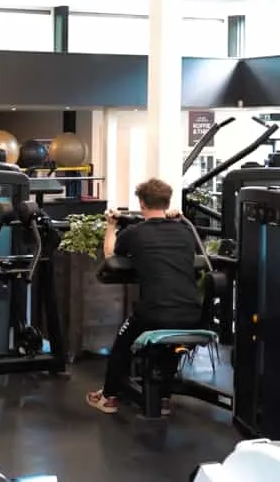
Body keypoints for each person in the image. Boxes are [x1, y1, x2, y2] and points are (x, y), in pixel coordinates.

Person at [86, 178, 205, 415]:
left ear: (141, 203)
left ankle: (109, 397)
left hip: (154, 313)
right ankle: (164, 398)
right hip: (193, 313)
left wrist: (111, 225)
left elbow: (110, 257)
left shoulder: (134, 233)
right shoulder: (185, 232)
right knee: (172, 344)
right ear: (167, 203)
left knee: (122, 342)